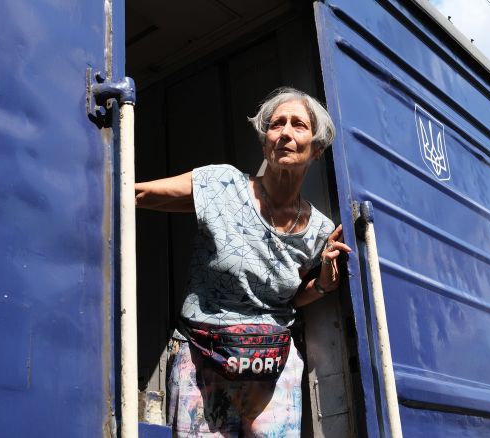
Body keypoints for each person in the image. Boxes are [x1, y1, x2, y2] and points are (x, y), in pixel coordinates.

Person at [135, 87, 351, 437]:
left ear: (317, 148)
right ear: (265, 142)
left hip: (271, 368)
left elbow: (294, 297)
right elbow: (140, 194)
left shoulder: (321, 231)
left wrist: (326, 280)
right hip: (203, 359)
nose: (284, 133)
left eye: (298, 125)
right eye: (276, 124)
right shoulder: (223, 185)